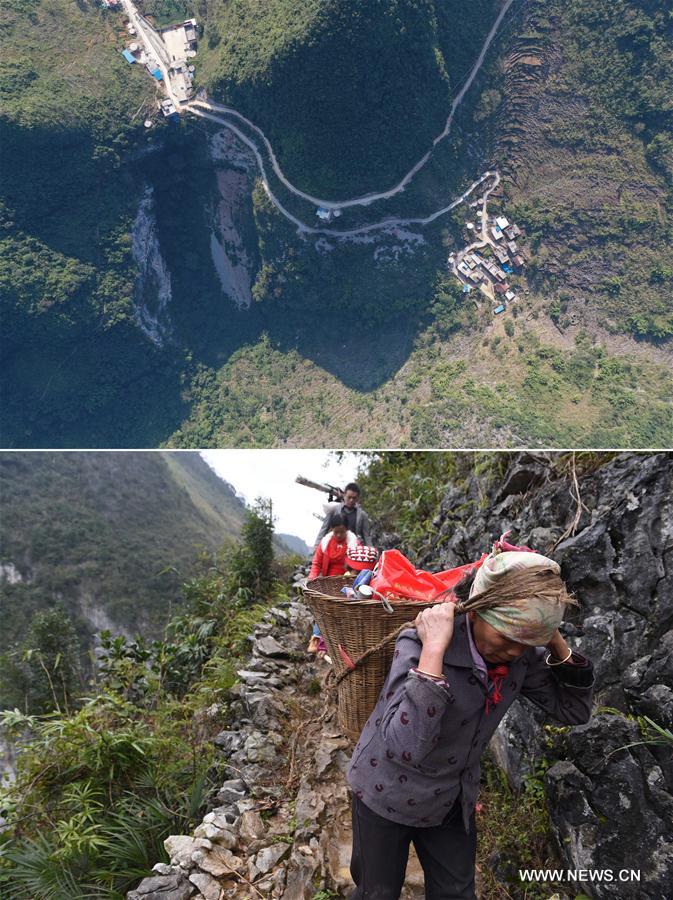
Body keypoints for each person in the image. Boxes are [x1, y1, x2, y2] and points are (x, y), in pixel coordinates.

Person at [346, 543, 595, 900]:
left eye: (526, 642)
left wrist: (552, 638)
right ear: (477, 610)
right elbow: (405, 746)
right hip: (384, 792)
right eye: (507, 636)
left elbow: (574, 711)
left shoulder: (520, 658)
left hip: (449, 800)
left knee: (456, 893)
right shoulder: (420, 643)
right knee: (377, 892)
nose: (514, 650)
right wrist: (434, 652)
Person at [315, 483, 371, 547]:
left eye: (354, 498)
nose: (351, 500)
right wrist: (316, 547)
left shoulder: (362, 515)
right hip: (335, 547)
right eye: (349, 497)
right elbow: (323, 530)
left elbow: (367, 536)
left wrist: (371, 550)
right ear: (344, 495)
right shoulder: (334, 510)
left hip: (354, 548)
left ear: (358, 498)